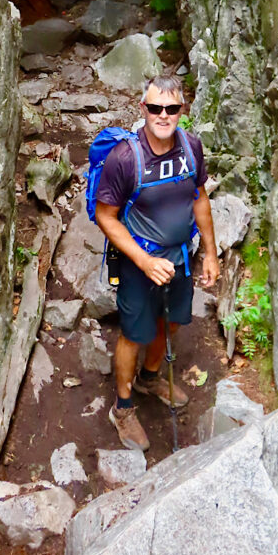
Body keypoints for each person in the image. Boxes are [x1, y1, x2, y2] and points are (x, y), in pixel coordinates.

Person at [95, 74, 220, 451]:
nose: (163, 115)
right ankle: (123, 406)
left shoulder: (191, 148)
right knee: (134, 332)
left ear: (182, 110)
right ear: (143, 109)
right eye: (155, 108)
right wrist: (145, 261)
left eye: (171, 108)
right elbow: (106, 216)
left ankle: (150, 378)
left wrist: (211, 252)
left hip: (180, 257)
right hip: (138, 261)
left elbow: (199, 198)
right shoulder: (124, 159)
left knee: (172, 322)